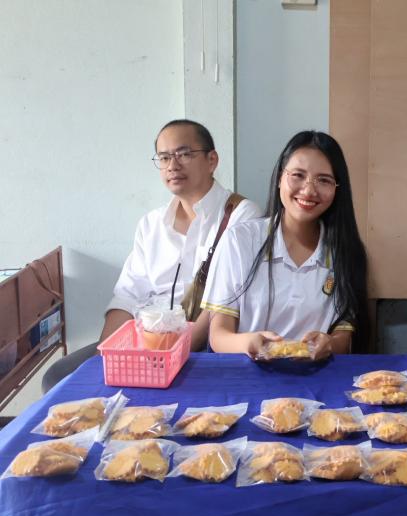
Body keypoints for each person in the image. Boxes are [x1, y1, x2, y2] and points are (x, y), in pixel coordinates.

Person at [42, 119, 262, 392]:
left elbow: (225, 302)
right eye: (164, 157)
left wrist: (167, 358)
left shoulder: (242, 215)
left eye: (184, 154)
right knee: (57, 378)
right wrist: (106, 360)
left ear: (211, 160)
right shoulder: (151, 223)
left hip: (203, 347)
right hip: (146, 342)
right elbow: (127, 296)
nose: (172, 165)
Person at [201, 131, 370, 359]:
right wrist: (249, 343)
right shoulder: (239, 240)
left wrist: (329, 343)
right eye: (298, 175)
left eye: (324, 180)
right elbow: (219, 335)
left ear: (337, 189)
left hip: (317, 373)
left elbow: (344, 336)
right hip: (250, 371)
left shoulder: (345, 250)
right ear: (280, 178)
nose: (309, 190)